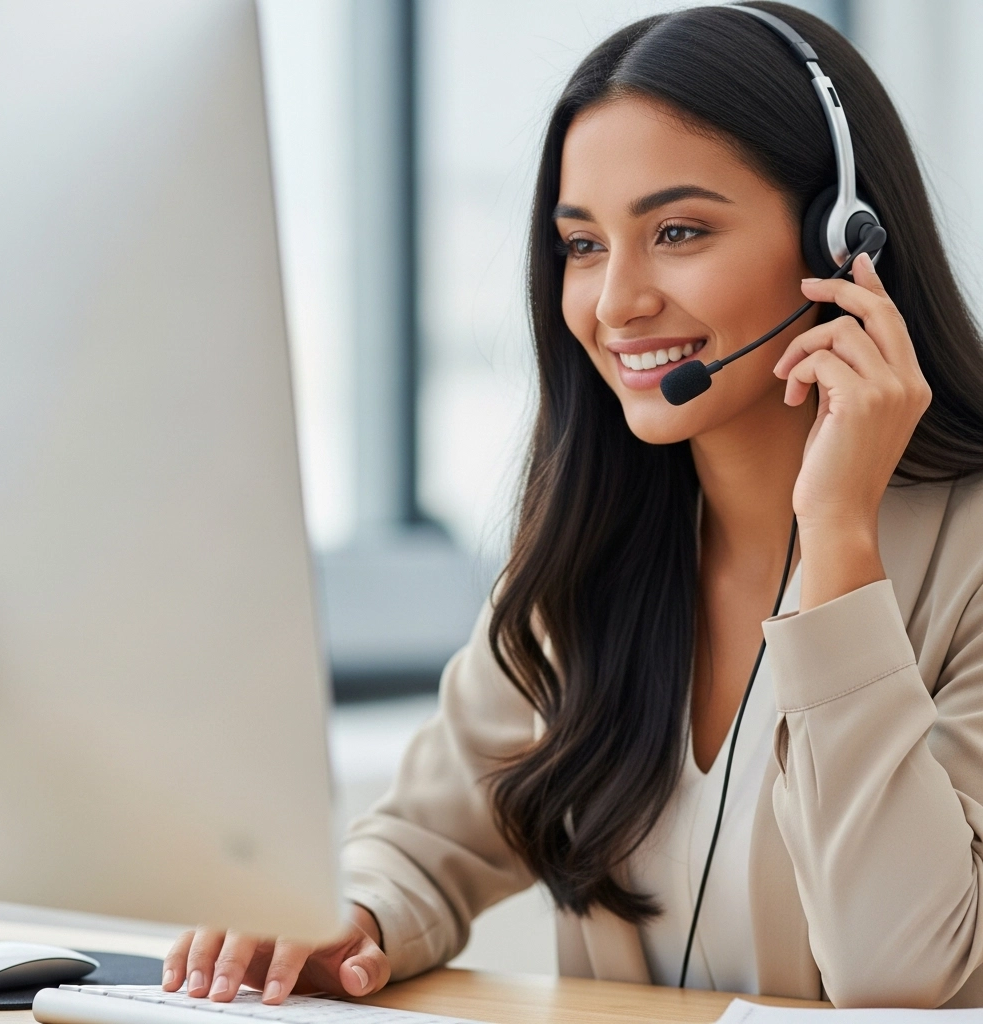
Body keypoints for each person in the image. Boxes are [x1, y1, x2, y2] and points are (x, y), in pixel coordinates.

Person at [162, 1, 983, 1009]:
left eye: (677, 231)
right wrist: (355, 916)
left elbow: (912, 975)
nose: (615, 302)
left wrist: (840, 540)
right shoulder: (600, 541)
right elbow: (427, 835)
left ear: (843, 242)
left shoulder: (967, 557)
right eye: (583, 245)